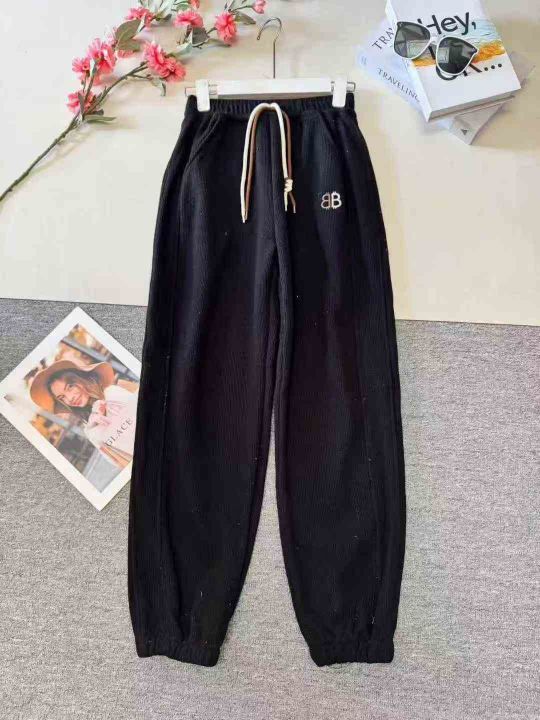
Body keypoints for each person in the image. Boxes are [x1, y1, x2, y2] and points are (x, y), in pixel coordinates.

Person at [30, 358, 138, 469]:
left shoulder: (114, 392)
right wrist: (96, 430)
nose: (70, 398)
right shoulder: (89, 429)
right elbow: (117, 461)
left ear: (82, 378)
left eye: (70, 386)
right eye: (62, 397)